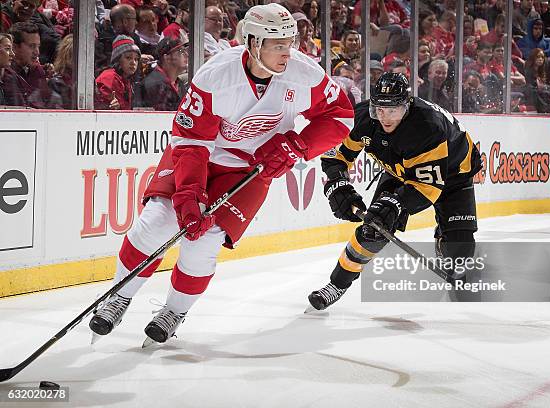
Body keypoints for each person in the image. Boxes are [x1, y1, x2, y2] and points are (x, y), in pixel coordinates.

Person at [88, 3, 354, 343]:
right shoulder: (217, 75)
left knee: (206, 239)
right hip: (197, 154)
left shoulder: (304, 74)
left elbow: (340, 116)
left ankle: (175, 310)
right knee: (158, 220)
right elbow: (191, 141)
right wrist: (188, 194)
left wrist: (298, 146)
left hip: (250, 168)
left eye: (290, 43)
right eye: (278, 45)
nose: (288, 53)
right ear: (253, 42)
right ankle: (119, 297)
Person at [307, 72, 482, 310]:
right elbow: (335, 157)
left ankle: (447, 244)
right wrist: (338, 185)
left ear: (407, 106)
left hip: (454, 175)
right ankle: (337, 285)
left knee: (460, 248)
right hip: (403, 171)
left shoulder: (427, 127)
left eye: (393, 111)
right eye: (380, 110)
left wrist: (395, 204)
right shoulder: (363, 119)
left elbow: (428, 187)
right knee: (374, 228)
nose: (385, 118)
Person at [94, 35, 140, 110]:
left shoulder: (127, 79)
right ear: (117, 59)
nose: (133, 62)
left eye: (136, 59)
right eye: (128, 57)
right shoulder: (109, 78)